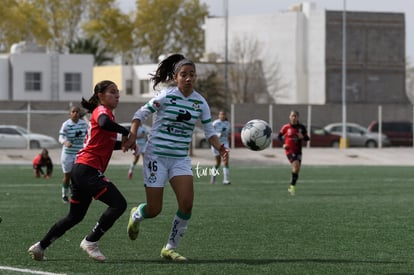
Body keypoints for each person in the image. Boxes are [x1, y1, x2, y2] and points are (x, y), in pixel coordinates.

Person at [123, 54, 229, 261]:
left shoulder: (200, 102)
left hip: (180, 159)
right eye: (184, 75)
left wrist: (220, 147)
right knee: (154, 209)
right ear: (175, 77)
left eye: (192, 75)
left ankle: (169, 248)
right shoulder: (166, 96)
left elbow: (209, 132)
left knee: (187, 204)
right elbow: (139, 115)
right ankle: (136, 214)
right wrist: (133, 135)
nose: (188, 78)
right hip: (156, 157)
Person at [28, 80, 134, 262]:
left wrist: (124, 144)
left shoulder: (107, 116)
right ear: (100, 96)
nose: (117, 95)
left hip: (81, 170)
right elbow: (103, 122)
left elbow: (105, 142)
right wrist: (126, 131)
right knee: (119, 204)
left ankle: (40, 246)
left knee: (75, 216)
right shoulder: (102, 111)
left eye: (118, 92)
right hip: (88, 170)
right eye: (112, 91)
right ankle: (91, 241)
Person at [58, 106, 88, 203]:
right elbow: (61, 137)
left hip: (80, 153)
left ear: (79, 114)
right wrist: (65, 142)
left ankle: (76, 194)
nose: (75, 113)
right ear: (69, 113)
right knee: (67, 175)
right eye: (73, 111)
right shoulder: (66, 125)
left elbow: (89, 136)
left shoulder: (84, 124)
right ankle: (64, 194)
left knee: (78, 175)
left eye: (77, 112)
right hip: (68, 153)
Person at [277, 110, 310, 196]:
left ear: (298, 117)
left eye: (295, 116)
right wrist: (283, 144)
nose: (294, 117)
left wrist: (302, 137)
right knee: (295, 166)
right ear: (289, 117)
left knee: (297, 170)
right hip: (289, 150)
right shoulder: (286, 127)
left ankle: (292, 186)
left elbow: (307, 138)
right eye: (292, 116)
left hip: (298, 151)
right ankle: (292, 187)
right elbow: (279, 137)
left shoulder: (302, 127)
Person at [210, 110, 231, 184]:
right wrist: (218, 135)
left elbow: (228, 133)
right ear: (219, 115)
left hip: (225, 144)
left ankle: (225, 180)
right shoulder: (215, 123)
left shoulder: (228, 123)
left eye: (223, 114)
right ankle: (213, 176)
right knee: (218, 163)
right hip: (216, 144)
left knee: (226, 161)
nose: (222, 116)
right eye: (221, 114)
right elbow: (210, 133)